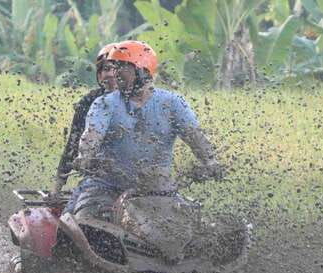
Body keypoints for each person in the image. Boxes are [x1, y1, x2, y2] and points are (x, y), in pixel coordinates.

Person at [61, 40, 223, 219]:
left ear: (141, 70)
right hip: (106, 188)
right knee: (82, 223)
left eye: (122, 67)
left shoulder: (173, 103)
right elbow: (91, 135)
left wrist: (210, 162)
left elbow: (195, 137)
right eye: (114, 67)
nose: (115, 73)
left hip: (158, 191)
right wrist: (85, 157)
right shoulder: (104, 103)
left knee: (193, 227)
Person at [52, 42, 119, 195]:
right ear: (98, 75)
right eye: (105, 69)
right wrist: (57, 187)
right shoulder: (90, 102)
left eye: (115, 69)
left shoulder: (140, 101)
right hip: (99, 179)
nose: (110, 74)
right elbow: (73, 144)